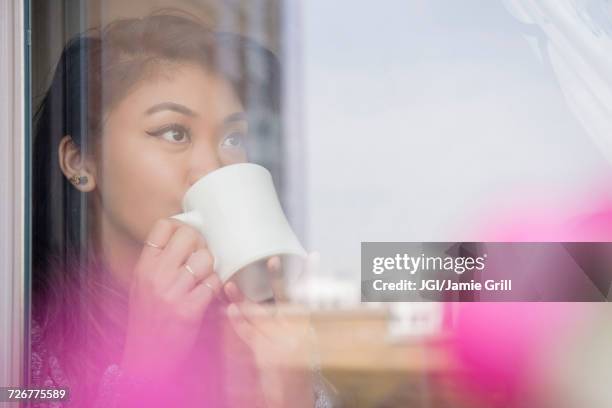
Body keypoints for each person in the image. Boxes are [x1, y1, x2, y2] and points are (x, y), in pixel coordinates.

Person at [31, 12, 337, 407]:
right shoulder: (21, 335)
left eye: (232, 137)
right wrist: (144, 372)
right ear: (80, 161)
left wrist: (295, 393)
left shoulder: (252, 325)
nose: (211, 166)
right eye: (174, 133)